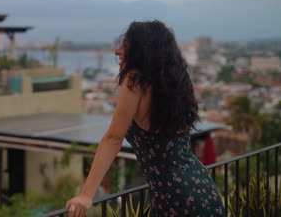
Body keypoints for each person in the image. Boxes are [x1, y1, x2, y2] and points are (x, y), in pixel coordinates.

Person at [65, 21, 224, 217]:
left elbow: (113, 138)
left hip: (175, 198)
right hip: (202, 188)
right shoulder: (177, 82)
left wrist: (86, 195)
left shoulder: (136, 81)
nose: (118, 51)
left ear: (141, 51)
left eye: (126, 46)